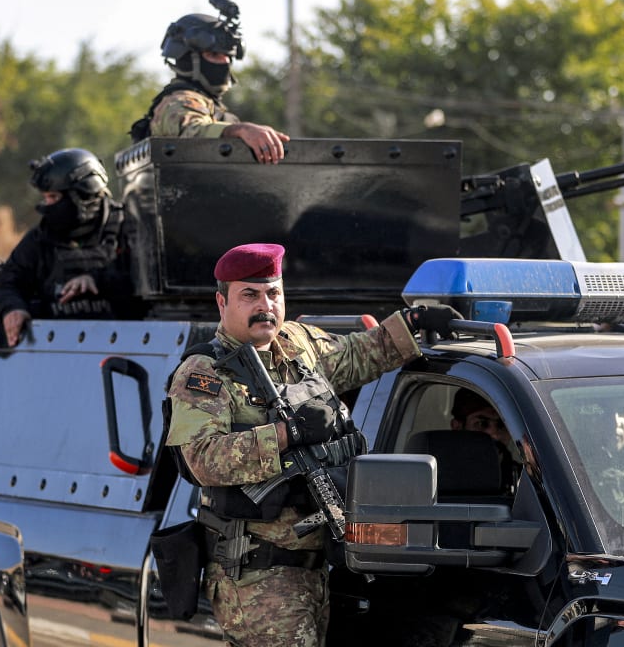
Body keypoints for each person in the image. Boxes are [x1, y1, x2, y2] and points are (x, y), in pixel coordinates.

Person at [165, 243, 461, 646]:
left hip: (318, 567)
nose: (264, 305)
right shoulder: (203, 373)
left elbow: (360, 354)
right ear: (222, 301)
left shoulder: (296, 343)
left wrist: (412, 322)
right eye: (249, 295)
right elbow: (203, 459)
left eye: (273, 293)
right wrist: (289, 434)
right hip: (258, 578)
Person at [0, 148, 142, 347]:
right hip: (60, 351)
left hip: (128, 347)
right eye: (45, 198)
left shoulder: (129, 229)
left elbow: (144, 283)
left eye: (54, 198)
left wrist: (98, 280)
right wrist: (12, 308)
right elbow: (8, 283)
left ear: (82, 195)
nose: (47, 205)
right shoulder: (40, 239)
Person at [128, 0, 290, 164]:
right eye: (213, 55)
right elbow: (192, 130)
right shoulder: (178, 101)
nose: (224, 62)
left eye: (227, 56)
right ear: (188, 59)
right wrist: (240, 130)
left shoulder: (211, 106)